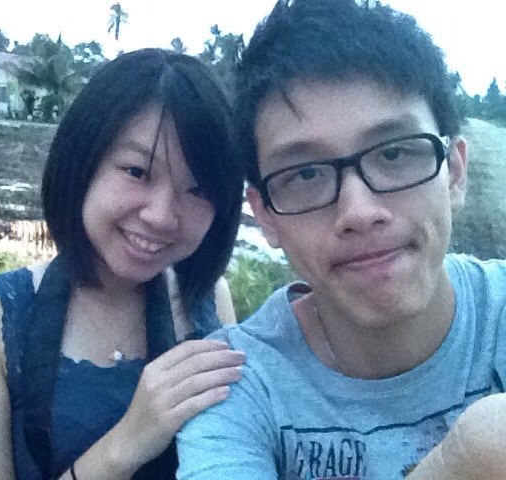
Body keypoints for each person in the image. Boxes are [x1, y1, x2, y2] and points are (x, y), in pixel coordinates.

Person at [176, 1, 506, 479]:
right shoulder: (236, 386)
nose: (359, 212)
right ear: (265, 215)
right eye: (306, 173)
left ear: (454, 172)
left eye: (393, 154)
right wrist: (463, 462)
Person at [0, 48, 246, 480]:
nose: (161, 216)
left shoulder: (210, 301)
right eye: (137, 171)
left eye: (198, 190)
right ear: (83, 163)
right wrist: (125, 445)